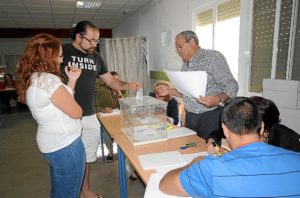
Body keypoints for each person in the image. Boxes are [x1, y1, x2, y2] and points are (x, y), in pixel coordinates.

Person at [61, 20, 140, 198]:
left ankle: (85, 191)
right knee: (67, 158)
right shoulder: (62, 51)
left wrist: (128, 85)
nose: (94, 45)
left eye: (97, 41)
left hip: (88, 115)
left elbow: (111, 81)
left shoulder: (96, 57)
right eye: (91, 40)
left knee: (87, 157)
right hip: (65, 114)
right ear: (78, 36)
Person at [159, 97, 300, 197]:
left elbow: (165, 184)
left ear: (225, 130)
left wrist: (191, 165)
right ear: (261, 127)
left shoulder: (211, 169)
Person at [17, 33, 85, 198]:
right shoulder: (50, 81)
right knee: (69, 193)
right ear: (48, 57)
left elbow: (59, 103)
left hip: (52, 144)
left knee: (58, 191)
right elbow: (77, 112)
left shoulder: (34, 79)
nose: (62, 60)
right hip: (66, 146)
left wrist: (72, 79)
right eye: (59, 56)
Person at [156, 30, 238, 139]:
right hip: (191, 117)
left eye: (179, 47)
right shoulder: (185, 65)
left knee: (208, 151)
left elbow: (232, 85)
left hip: (210, 116)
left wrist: (218, 99)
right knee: (192, 149)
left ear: (192, 42)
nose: (178, 51)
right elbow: (186, 92)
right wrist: (168, 91)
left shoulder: (212, 57)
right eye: (176, 48)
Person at [206, 96, 300, 154]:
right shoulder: (248, 126)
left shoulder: (289, 140)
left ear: (262, 127)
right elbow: (219, 132)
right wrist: (211, 141)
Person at [99, 71, 125, 161]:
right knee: (106, 135)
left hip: (119, 118)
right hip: (106, 119)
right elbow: (96, 105)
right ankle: (110, 152)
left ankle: (123, 151)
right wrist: (102, 109)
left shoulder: (123, 89)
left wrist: (120, 94)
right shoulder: (101, 90)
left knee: (125, 131)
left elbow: (125, 106)